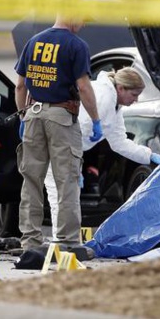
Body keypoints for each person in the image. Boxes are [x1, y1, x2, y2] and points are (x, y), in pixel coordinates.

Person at [44, 67, 160, 233]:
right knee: (60, 196)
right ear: (121, 88)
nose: (135, 101)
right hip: (58, 145)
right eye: (134, 95)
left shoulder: (115, 105)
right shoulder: (102, 97)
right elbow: (75, 132)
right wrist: (75, 166)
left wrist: (150, 155)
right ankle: (62, 244)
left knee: (67, 198)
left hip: (68, 148)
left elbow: (119, 142)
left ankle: (66, 243)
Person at [14, 13, 102, 252]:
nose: (83, 24)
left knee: (31, 181)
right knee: (67, 181)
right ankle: (68, 242)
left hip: (33, 114)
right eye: (83, 20)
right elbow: (83, 86)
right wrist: (95, 120)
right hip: (61, 118)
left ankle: (30, 242)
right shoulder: (76, 45)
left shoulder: (33, 42)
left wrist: (23, 115)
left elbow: (20, 85)